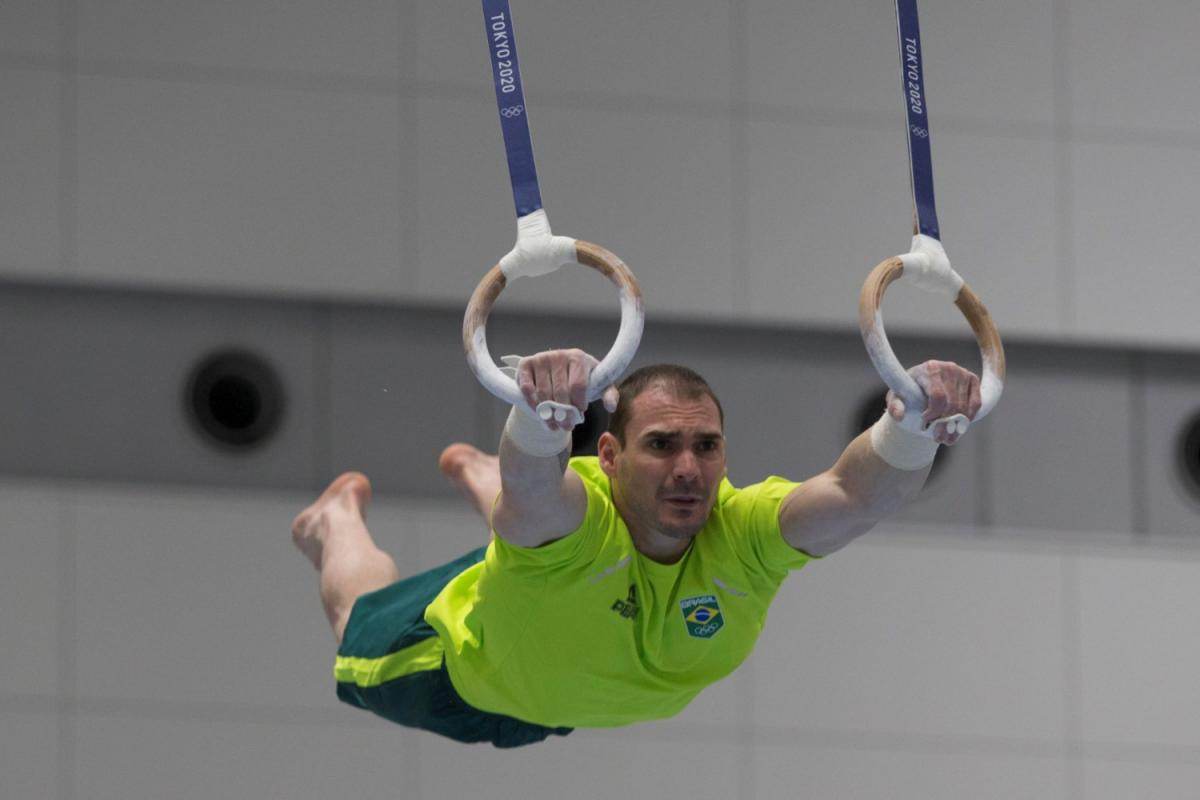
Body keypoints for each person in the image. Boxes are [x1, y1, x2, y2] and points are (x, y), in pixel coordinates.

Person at [292, 349, 981, 747]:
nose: (688, 469)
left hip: (552, 638)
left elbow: (857, 495)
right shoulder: (581, 520)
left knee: (527, 534)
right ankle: (333, 522)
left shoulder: (742, 533)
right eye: (661, 446)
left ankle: (483, 488)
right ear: (610, 454)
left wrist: (912, 426)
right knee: (355, 618)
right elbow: (533, 486)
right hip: (464, 669)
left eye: (705, 446)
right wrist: (538, 418)